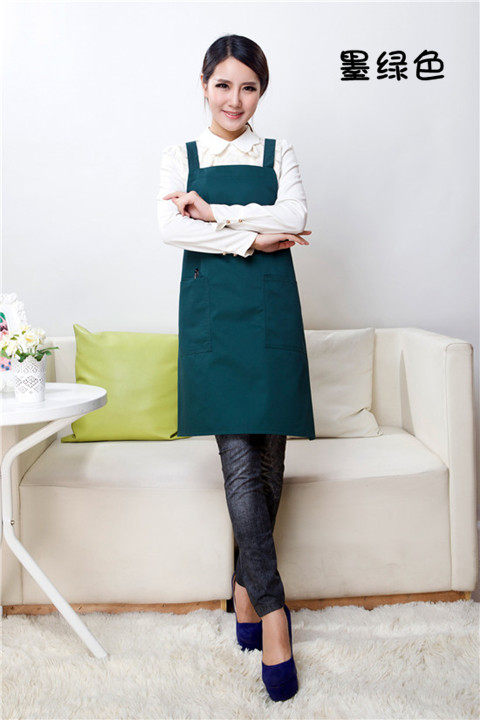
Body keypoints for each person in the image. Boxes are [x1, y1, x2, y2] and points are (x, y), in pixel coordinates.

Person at [156, 33, 315, 702]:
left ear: (260, 93)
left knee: (270, 468)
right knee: (242, 468)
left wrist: (217, 215)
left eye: (248, 87)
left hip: (271, 314)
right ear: (204, 85)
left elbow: (296, 215)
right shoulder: (180, 156)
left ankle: (245, 587)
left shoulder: (280, 153)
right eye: (223, 84)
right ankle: (275, 614)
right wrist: (254, 237)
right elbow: (172, 229)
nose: (234, 99)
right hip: (215, 319)